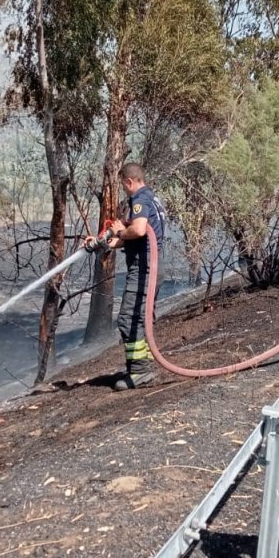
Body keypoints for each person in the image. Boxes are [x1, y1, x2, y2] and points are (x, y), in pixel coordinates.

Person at [89, 162, 167, 390]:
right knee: (140, 318)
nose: (124, 190)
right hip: (152, 266)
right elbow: (137, 234)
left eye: (123, 186)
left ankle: (140, 372)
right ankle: (142, 365)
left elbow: (140, 230)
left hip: (144, 269)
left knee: (128, 318)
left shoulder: (140, 200)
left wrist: (122, 231)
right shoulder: (153, 198)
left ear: (128, 181)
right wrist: (113, 242)